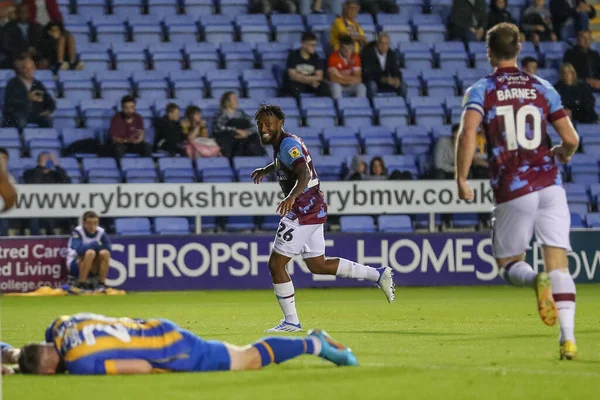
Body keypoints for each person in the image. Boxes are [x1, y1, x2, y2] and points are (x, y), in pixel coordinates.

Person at [457, 23, 580, 360]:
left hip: (513, 186)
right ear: (520, 48)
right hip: (550, 184)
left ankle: (534, 280)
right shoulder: (543, 87)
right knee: (560, 266)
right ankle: (567, 338)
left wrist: (462, 178)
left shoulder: (482, 89)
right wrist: (562, 154)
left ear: (489, 52)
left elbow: (469, 133)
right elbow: (570, 139)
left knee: (509, 264)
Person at [251, 104, 395, 333]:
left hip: (302, 209)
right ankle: (377, 275)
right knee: (318, 264)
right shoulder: (284, 144)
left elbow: (304, 172)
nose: (263, 128)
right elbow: (287, 163)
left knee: (276, 264)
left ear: (280, 124)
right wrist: (267, 169)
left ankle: (291, 321)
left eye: (268, 123)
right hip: (314, 207)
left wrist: (291, 197)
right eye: (260, 124)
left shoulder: (288, 145)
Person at [14, 312, 357, 375]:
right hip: (156, 327)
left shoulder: (80, 364)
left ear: (46, 373)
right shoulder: (58, 326)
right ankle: (313, 343)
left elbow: (142, 368)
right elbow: (50, 339)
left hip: (170, 351)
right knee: (240, 356)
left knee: (246, 360)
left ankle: (315, 344)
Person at [23, 151, 71, 235]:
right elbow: (33, 183)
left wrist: (56, 165)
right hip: (35, 205)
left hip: (54, 204)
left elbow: (67, 182)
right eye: (45, 159)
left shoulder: (56, 174)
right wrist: (41, 167)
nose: (47, 161)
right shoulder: (29, 173)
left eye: (49, 159)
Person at [3, 55, 55, 130]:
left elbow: (50, 101)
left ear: (34, 69)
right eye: (26, 68)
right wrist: (27, 98)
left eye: (31, 68)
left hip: (35, 114)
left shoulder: (37, 84)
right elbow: (9, 103)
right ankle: (21, 140)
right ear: (21, 69)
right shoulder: (12, 83)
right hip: (18, 114)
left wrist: (48, 111)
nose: (29, 71)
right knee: (21, 121)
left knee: (48, 121)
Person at [67, 211, 112, 290]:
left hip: (94, 264)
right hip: (76, 263)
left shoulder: (101, 232)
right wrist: (96, 244)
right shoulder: (77, 232)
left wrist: (95, 247)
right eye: (89, 223)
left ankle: (101, 283)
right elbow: (79, 249)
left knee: (105, 253)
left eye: (95, 223)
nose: (92, 226)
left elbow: (108, 247)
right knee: (90, 253)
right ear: (84, 223)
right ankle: (82, 283)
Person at [213, 92, 264, 159]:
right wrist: (237, 130)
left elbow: (253, 127)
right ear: (227, 102)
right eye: (234, 99)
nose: (236, 101)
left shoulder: (241, 113)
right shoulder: (221, 114)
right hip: (230, 139)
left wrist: (246, 133)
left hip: (244, 137)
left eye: (236, 99)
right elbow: (219, 127)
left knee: (255, 137)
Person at [283, 32, 329, 98]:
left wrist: (304, 79)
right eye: (311, 45)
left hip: (310, 84)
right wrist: (309, 81)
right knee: (293, 88)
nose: (314, 47)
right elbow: (292, 75)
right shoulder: (293, 55)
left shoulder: (316, 57)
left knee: (324, 87)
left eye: (315, 45)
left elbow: (319, 76)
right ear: (303, 44)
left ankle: (319, 106)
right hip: (297, 83)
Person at [361, 32, 403, 97]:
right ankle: (373, 105)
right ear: (377, 43)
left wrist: (397, 79)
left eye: (386, 44)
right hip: (372, 81)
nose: (384, 46)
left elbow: (396, 70)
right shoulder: (368, 53)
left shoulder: (391, 54)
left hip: (386, 81)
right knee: (372, 86)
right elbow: (367, 74)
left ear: (389, 45)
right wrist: (383, 79)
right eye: (381, 43)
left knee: (403, 86)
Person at [328, 35, 367, 99]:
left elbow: (358, 78)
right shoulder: (333, 57)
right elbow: (333, 78)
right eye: (345, 48)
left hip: (350, 85)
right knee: (335, 86)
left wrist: (340, 76)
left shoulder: (355, 57)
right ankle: (339, 107)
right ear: (340, 47)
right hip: (339, 85)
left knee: (361, 87)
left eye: (350, 48)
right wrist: (350, 80)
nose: (347, 51)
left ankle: (359, 107)